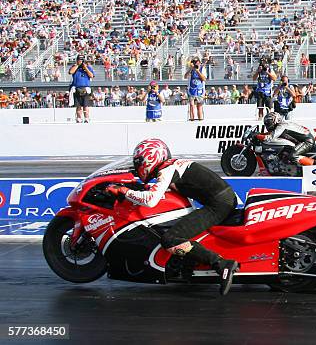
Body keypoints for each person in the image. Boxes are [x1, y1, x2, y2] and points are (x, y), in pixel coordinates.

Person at [106, 139, 239, 295]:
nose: (137, 166)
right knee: (183, 227)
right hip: (222, 199)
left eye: (139, 162)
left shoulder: (166, 170)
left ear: (150, 158)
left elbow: (150, 200)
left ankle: (222, 264)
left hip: (219, 204)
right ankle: (189, 266)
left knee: (170, 239)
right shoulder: (171, 165)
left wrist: (123, 191)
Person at [68, 55, 95, 123]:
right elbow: (70, 72)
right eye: (79, 60)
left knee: (85, 105)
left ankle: (86, 118)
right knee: (78, 105)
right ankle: (79, 118)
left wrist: (85, 67)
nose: (81, 61)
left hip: (85, 88)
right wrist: (77, 65)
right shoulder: (74, 67)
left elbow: (91, 76)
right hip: (77, 88)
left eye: (82, 60)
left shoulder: (88, 67)